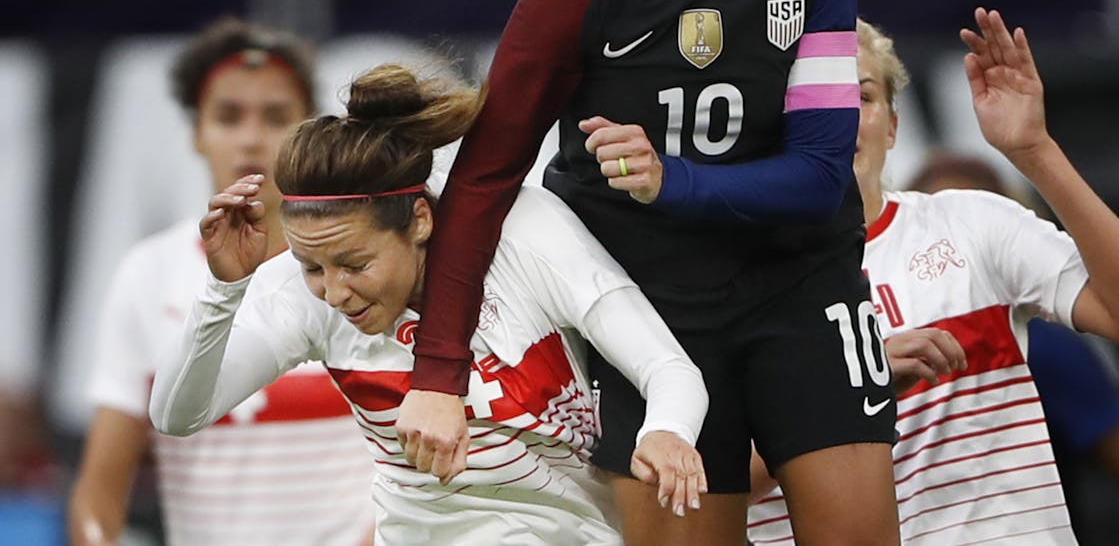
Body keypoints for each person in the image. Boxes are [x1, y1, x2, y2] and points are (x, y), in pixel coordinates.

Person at [397, 0, 898, 546]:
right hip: (649, 315)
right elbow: (484, 177)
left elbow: (822, 179)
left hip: (802, 286)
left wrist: (673, 182)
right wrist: (436, 373)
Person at [148, 63, 710, 545]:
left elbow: (670, 369)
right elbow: (176, 415)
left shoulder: (525, 232)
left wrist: (667, 430)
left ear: (420, 221)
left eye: (355, 264)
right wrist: (224, 289)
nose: (335, 291)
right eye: (312, 267)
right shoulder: (299, 290)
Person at [748, 10, 1119, 544]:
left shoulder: (972, 224)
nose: (841, 117)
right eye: (816, 101)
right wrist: (858, 385)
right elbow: (708, 486)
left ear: (892, 126)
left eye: (862, 97)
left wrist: (1034, 151)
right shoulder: (729, 282)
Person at [67, 17, 375, 546]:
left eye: (276, 117)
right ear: (196, 134)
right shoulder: (148, 273)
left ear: (310, 131)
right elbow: (99, 494)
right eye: (229, 116)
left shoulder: (366, 266)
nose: (252, 138)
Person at [909, 153, 1119, 546]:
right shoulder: (865, 353)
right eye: (940, 240)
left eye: (980, 223)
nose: (959, 251)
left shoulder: (1047, 352)